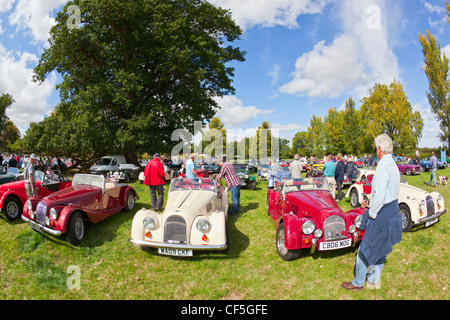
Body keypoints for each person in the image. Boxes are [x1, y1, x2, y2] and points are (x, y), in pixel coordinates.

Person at [341, 134, 402, 291]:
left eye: (376, 147)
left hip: (382, 212)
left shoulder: (382, 165)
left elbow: (381, 195)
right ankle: (373, 279)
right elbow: (387, 192)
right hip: (391, 208)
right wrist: (371, 202)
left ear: (380, 149)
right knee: (382, 246)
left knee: (365, 247)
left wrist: (371, 213)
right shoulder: (393, 164)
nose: (376, 150)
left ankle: (358, 282)